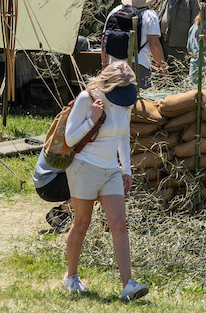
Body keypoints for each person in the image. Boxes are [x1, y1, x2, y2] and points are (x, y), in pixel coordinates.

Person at [61, 60, 149, 301]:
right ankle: (71, 276)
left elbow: (123, 135)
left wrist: (126, 170)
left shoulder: (125, 101)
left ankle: (128, 285)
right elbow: (69, 139)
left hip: (111, 169)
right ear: (108, 84)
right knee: (82, 222)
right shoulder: (86, 99)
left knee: (119, 223)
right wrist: (93, 118)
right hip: (84, 168)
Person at [104, 0, 167, 86]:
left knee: (116, 100)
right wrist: (163, 67)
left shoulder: (115, 11)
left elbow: (104, 39)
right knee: (139, 100)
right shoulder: (149, 15)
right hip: (139, 65)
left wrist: (105, 66)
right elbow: (154, 43)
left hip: (115, 65)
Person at [160, 0, 200, 66]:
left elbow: (196, 24)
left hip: (181, 47)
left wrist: (193, 46)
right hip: (164, 44)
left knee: (180, 75)